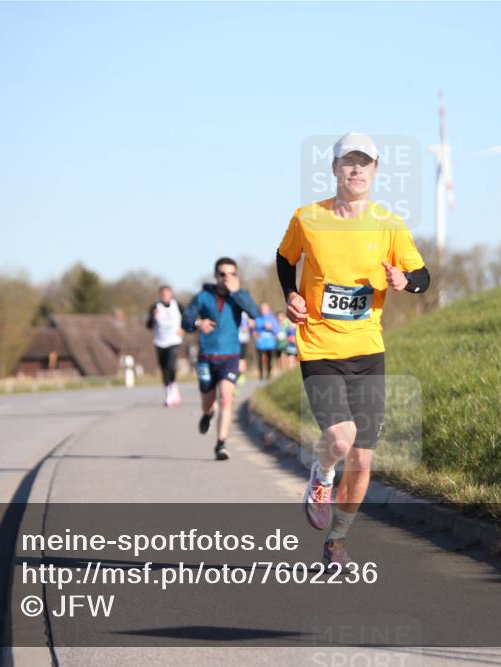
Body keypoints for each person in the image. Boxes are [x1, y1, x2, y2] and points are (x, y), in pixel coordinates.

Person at [276, 132, 431, 567]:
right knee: (341, 441)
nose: (356, 170)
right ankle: (321, 474)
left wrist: (405, 282)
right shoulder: (307, 218)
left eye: (365, 163)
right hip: (319, 345)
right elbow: (285, 259)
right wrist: (291, 295)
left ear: (376, 171)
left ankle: (337, 540)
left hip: (367, 351)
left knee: (363, 461)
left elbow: (423, 277)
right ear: (334, 168)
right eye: (349, 162)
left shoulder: (389, 226)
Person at [181, 258, 260, 460]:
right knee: (208, 402)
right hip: (206, 357)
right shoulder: (203, 296)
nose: (227, 278)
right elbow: (186, 320)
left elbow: (254, 313)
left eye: (232, 274)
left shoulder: (240, 296)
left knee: (226, 397)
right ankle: (207, 415)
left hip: (230, 356)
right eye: (222, 274)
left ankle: (221, 444)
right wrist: (199, 322)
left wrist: (236, 292)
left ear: (237, 276)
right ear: (216, 276)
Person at [145, 285, 183, 406]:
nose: (165, 296)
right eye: (163, 294)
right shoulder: (155, 307)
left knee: (170, 365)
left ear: (171, 294)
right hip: (160, 341)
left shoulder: (178, 306)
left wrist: (183, 329)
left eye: (167, 294)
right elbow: (149, 326)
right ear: (160, 295)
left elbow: (188, 318)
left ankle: (172, 390)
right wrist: (153, 316)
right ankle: (169, 391)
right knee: (163, 368)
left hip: (174, 340)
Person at [253, 303, 279, 382]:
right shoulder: (258, 318)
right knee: (260, 358)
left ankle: (268, 374)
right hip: (260, 342)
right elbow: (254, 328)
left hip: (270, 342)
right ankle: (261, 375)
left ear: (268, 309)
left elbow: (277, 329)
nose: (264, 310)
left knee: (270, 358)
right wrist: (261, 326)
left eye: (265, 309)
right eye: (262, 309)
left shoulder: (272, 318)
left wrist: (271, 328)